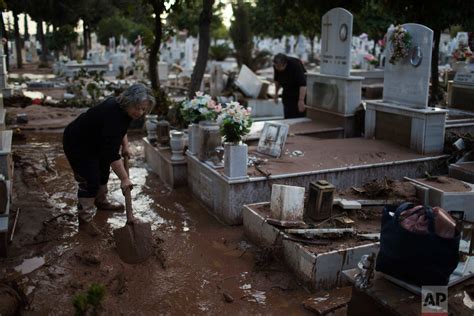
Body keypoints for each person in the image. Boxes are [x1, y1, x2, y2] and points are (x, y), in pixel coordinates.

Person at [63, 83, 155, 236]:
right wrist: (124, 178)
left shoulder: (124, 111)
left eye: (143, 109)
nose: (140, 112)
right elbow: (111, 154)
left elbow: (120, 130)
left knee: (103, 170)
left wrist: (125, 145)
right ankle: (85, 221)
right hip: (78, 143)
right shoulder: (112, 113)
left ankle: (100, 201)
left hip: (96, 141)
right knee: (90, 179)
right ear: (128, 101)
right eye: (137, 108)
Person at [273, 53, 307, 119]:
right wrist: (276, 94)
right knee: (288, 114)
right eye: (276, 66)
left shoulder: (295, 64)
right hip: (287, 90)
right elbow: (277, 80)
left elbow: (303, 84)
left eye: (279, 67)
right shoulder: (276, 66)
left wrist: (301, 100)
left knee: (298, 115)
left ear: (285, 64)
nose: (277, 69)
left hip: (299, 91)